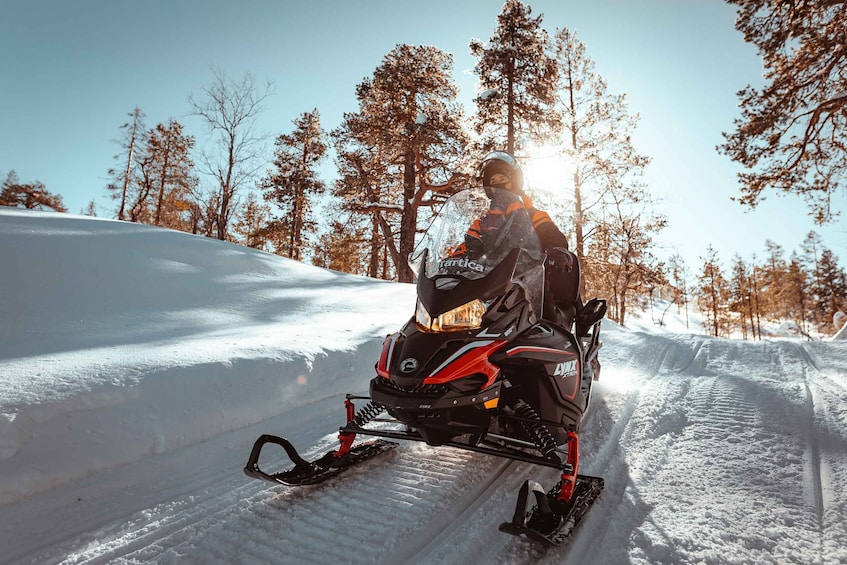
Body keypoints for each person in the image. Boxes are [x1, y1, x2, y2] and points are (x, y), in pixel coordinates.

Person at [471, 151, 581, 326]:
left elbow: (552, 234)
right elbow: (468, 244)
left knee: (546, 323)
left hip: (527, 282)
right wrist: (449, 261)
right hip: (486, 283)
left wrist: (556, 250)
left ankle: (553, 348)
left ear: (514, 182)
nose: (498, 184)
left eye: (503, 179)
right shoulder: (483, 221)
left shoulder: (533, 214)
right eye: (493, 181)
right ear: (488, 187)